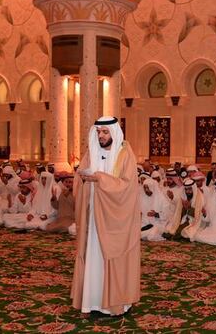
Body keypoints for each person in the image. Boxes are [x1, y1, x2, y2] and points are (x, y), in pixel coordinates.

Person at [71, 116, 140, 316]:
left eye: (105, 132)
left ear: (114, 132)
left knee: (112, 257)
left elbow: (127, 186)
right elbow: (79, 180)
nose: (101, 136)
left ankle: (117, 303)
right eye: (99, 132)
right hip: (92, 217)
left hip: (114, 221)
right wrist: (83, 178)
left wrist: (99, 178)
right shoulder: (90, 153)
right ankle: (92, 302)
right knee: (93, 257)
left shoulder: (125, 154)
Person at [140, 176, 170, 242]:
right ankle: (145, 234)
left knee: (151, 236)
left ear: (152, 187)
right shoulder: (143, 198)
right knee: (134, 233)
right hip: (145, 224)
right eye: (145, 188)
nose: (146, 190)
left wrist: (156, 214)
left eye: (148, 188)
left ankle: (149, 234)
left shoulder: (162, 199)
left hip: (159, 224)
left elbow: (167, 215)